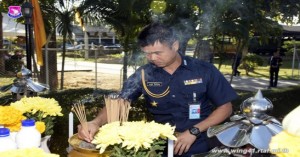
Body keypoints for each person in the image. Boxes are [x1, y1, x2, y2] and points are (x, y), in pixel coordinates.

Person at [77, 22, 238, 157]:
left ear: (175, 45)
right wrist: (95, 122)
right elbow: (120, 102)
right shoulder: (143, 74)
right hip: (158, 147)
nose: (152, 58)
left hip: (199, 144)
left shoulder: (204, 70)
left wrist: (193, 131)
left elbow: (226, 108)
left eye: (157, 52)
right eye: (147, 54)